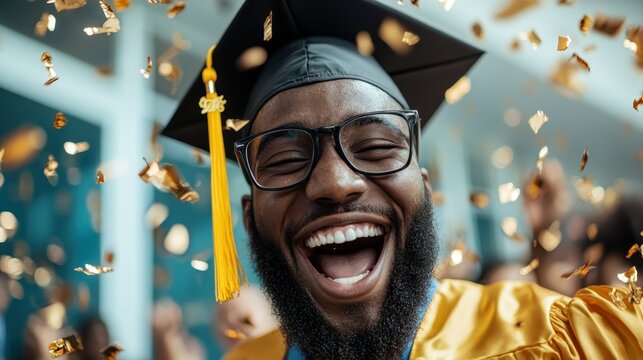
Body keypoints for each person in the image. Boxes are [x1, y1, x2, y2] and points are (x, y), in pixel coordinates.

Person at [163, 0, 643, 358]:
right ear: (249, 220)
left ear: (425, 187)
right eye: (287, 160)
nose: (334, 182)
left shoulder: (575, 342)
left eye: (374, 148)